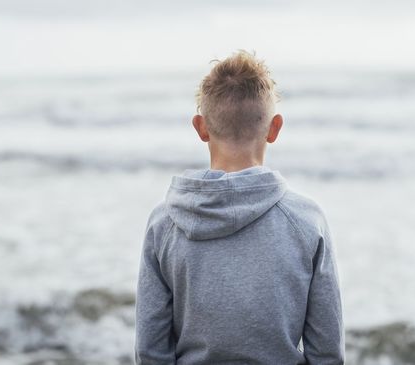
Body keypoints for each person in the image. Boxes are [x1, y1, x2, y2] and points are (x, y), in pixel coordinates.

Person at [135, 50, 344, 364]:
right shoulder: (307, 220)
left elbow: (151, 351)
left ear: (201, 127)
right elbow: (326, 351)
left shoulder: (164, 222)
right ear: (274, 128)